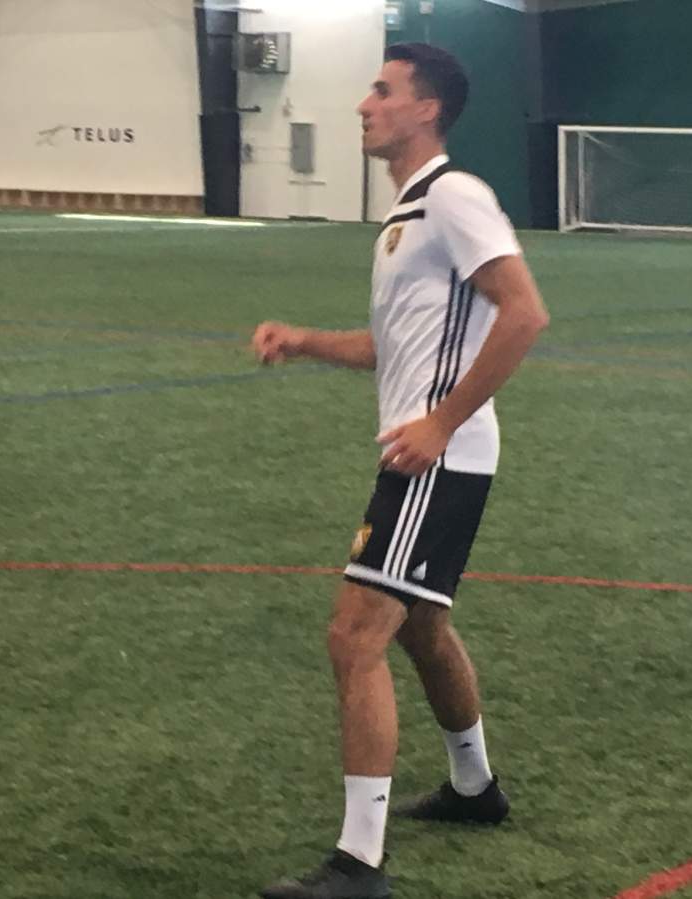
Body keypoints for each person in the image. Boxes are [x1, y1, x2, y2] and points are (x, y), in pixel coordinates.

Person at [253, 43, 550, 899]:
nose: (363, 104)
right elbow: (395, 349)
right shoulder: (407, 217)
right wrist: (305, 341)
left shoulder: (455, 196)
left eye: (382, 91)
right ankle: (474, 788)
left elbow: (524, 313)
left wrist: (442, 422)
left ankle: (359, 864)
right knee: (419, 627)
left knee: (354, 636)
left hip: (439, 459)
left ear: (426, 110)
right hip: (432, 452)